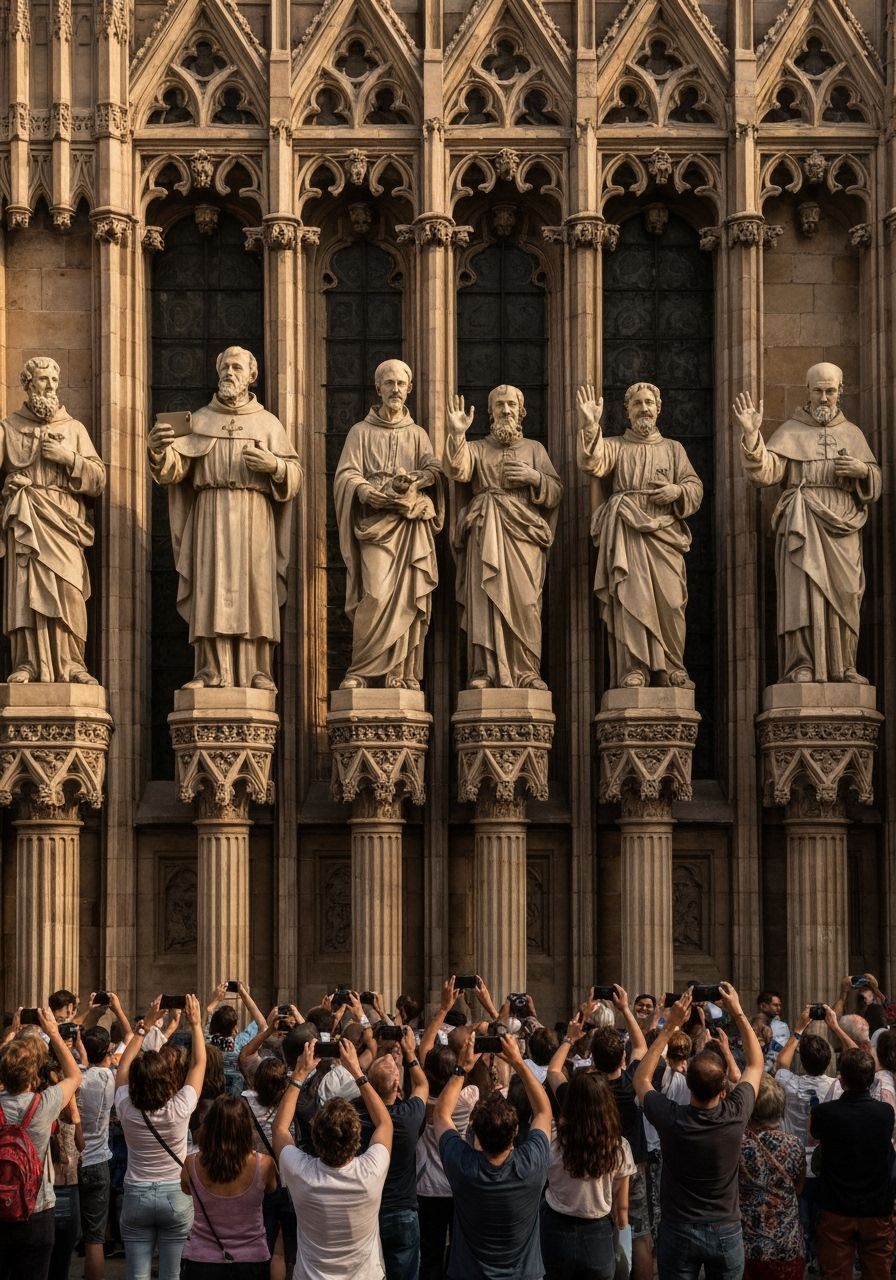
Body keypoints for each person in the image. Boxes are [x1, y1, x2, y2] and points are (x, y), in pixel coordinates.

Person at [148, 345, 301, 690]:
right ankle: (210, 670)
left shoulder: (268, 424)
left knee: (254, 591)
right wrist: (158, 449)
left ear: (252, 375)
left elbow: (295, 474)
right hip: (211, 515)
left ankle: (257, 670)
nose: (229, 374)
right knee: (212, 591)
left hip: (254, 516)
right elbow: (174, 470)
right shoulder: (199, 421)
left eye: (236, 367)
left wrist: (274, 466)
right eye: (224, 368)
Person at [734, 366, 880, 683]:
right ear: (807, 390)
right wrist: (751, 435)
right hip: (802, 520)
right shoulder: (791, 431)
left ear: (841, 390)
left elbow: (875, 482)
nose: (824, 397)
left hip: (843, 527)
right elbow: (765, 474)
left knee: (846, 594)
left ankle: (845, 666)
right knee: (799, 595)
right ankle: (801, 663)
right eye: (818, 391)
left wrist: (862, 471)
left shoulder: (853, 434)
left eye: (830, 391)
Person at [575, 380, 703, 688]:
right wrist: (591, 425)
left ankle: (671, 665)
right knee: (630, 600)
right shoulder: (617, 445)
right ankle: (633, 667)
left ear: (658, 409)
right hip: (628, 532)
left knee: (670, 603)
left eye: (649, 403)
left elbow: (694, 488)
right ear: (627, 411)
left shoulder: (674, 449)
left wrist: (677, 490)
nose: (643, 408)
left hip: (665, 535)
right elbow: (593, 463)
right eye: (637, 404)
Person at [634, 982, 765, 1280]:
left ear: (689, 1084)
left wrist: (669, 1028)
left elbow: (641, 1080)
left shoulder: (672, 1118)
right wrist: (739, 1013)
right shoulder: (735, 1114)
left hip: (678, 1227)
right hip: (725, 1227)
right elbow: (756, 1065)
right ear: (723, 1088)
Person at [333, 357, 443, 689]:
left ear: (409, 389)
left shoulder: (418, 434)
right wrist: (366, 492)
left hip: (409, 526)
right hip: (375, 525)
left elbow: (435, 471)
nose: (395, 389)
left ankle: (402, 673)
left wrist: (415, 480)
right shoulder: (360, 432)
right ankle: (363, 669)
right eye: (389, 383)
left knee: (409, 596)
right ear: (378, 388)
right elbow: (345, 476)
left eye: (401, 384)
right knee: (377, 595)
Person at [443, 386, 562, 689]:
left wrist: (534, 477)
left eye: (511, 405)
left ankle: (526, 671)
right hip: (486, 535)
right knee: (485, 601)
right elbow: (457, 469)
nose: (506, 410)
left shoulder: (535, 450)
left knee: (526, 604)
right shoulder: (479, 448)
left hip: (524, 539)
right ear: (491, 412)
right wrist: (457, 434)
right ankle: (485, 670)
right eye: (499, 405)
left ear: (521, 412)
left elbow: (556, 492)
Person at [0, 355, 106, 683]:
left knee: (70, 590)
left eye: (54, 381)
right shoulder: (9, 428)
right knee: (26, 591)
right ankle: (28, 663)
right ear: (27, 384)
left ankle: (73, 664)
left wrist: (69, 459)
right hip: (27, 516)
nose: (50, 386)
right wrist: (9, 486)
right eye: (43, 379)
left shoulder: (74, 430)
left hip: (65, 521)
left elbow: (98, 479)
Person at [549, 986, 652, 1279]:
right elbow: (641, 1047)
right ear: (623, 1059)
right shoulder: (633, 1081)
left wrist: (570, 1038)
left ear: (592, 1060)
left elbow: (554, 1072)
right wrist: (625, 1009)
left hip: (590, 1158)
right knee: (639, 1231)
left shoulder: (581, 1091)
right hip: (629, 1164)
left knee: (596, 1221)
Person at [273, 1037, 393, 1279]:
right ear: (357, 1138)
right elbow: (384, 1123)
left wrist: (299, 1075)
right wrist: (357, 1072)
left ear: (316, 1138)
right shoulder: (370, 1172)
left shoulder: (301, 1172)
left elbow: (280, 1130)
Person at [434, 1033, 552, 1280]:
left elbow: (441, 1115)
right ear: (516, 1131)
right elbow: (543, 1111)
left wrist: (462, 1068)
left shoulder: (463, 1165)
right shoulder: (530, 1164)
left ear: (475, 1131)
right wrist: (518, 1062)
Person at [356, 993, 448, 1280]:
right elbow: (421, 1083)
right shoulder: (409, 1116)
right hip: (403, 1212)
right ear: (397, 1087)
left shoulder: (356, 1116)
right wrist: (409, 1053)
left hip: (368, 1211)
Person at [115, 993, 207, 1280]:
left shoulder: (127, 1108)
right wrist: (195, 1024)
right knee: (172, 1274)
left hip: (137, 1193)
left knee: (136, 1274)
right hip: (174, 1193)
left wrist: (145, 1027)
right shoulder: (179, 1108)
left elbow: (122, 1067)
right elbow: (198, 1065)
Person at [0, 1008, 82, 1280]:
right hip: (36, 1209)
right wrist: (54, 1034)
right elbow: (74, 1076)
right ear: (35, 1072)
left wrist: (10, 1035)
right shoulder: (43, 1104)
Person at [542, 1052, 635, 1279]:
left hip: (555, 1231)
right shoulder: (619, 1148)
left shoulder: (553, 1143)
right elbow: (621, 1210)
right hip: (598, 1234)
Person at [810, 1048, 895, 1278]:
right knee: (878, 1273)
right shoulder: (885, 1113)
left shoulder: (825, 1113)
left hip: (836, 1207)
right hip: (876, 1208)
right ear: (871, 1079)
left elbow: (814, 1135)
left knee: (835, 1273)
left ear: (841, 1078)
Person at [179, 1093, 277, 1276]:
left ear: (209, 1126)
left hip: (202, 1259)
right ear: (246, 1128)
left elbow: (186, 1189)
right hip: (252, 1258)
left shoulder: (191, 1164)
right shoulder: (264, 1165)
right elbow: (272, 1189)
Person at [773, 1007, 836, 1269]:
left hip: (795, 1162)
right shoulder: (836, 1086)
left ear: (804, 1060)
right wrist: (834, 1026)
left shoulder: (790, 1082)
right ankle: (820, 1259)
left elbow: (780, 1063)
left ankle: (802, 1257)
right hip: (825, 1164)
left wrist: (799, 1028)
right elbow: (860, 1058)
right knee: (823, 1219)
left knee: (799, 1218)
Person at [737, 1074, 805, 1278]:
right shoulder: (794, 1145)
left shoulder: (738, 1146)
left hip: (748, 1247)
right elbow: (799, 1187)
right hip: (787, 1245)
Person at [79, 1022, 126, 1280]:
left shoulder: (76, 1078)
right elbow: (127, 1045)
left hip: (75, 1163)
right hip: (99, 1160)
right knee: (94, 1238)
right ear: (107, 1050)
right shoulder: (112, 1078)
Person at [756, 991, 790, 1067]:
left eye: (779, 1005)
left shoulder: (776, 1024)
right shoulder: (760, 1023)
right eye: (775, 1005)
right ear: (763, 1006)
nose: (779, 1008)